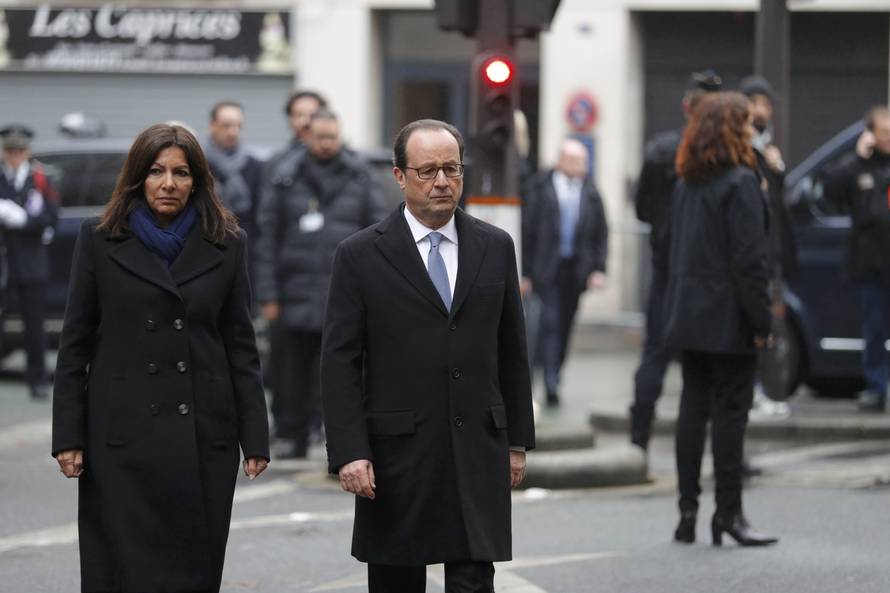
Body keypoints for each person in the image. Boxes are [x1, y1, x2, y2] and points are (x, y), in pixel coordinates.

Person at [51, 123, 271, 593]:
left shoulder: (227, 242)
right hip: (120, 438)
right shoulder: (98, 237)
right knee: (120, 572)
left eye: (181, 172)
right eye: (155, 171)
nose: (168, 183)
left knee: (191, 571)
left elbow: (240, 345)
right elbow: (75, 344)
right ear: (137, 177)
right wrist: (67, 435)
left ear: (197, 181)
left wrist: (255, 436)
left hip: (202, 435)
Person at [321, 119, 535, 593]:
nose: (442, 181)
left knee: (474, 580)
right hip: (397, 454)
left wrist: (516, 440)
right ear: (399, 177)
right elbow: (339, 363)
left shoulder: (494, 246)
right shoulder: (359, 255)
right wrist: (350, 451)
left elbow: (511, 349)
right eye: (427, 171)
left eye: (452, 169)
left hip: (477, 446)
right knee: (397, 580)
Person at [663, 92, 778, 547]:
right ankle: (728, 513)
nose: (752, 131)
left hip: (688, 315)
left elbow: (671, 248)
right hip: (729, 319)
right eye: (746, 123)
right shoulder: (741, 182)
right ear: (734, 128)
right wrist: (762, 322)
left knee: (692, 411)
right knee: (731, 416)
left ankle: (687, 511)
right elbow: (750, 261)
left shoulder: (685, 183)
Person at [256, 109, 385, 458]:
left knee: (336, 371)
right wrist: (267, 293)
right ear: (307, 136)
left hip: (340, 293)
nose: (327, 144)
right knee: (289, 372)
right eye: (320, 137)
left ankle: (331, 437)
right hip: (291, 292)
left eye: (333, 137)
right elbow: (266, 239)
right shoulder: (285, 176)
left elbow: (377, 234)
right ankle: (292, 435)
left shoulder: (359, 176)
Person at [629, 70, 722, 449]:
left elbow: (642, 209)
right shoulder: (724, 156)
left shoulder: (661, 150)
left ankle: (639, 442)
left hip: (669, 270)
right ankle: (720, 449)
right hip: (708, 276)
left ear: (687, 107)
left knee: (655, 355)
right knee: (710, 366)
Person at [522, 137, 608, 407]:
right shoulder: (540, 187)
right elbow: (527, 231)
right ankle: (550, 382)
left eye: (584, 161)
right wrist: (524, 272)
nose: (583, 166)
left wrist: (598, 269)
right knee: (549, 324)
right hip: (546, 269)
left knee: (565, 325)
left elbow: (600, 234)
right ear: (562, 161)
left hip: (575, 270)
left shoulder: (591, 192)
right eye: (577, 161)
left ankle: (555, 372)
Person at [824, 105, 890, 413]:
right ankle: (876, 389)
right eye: (884, 132)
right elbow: (830, 190)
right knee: (874, 328)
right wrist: (858, 157)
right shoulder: (858, 167)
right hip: (871, 264)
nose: (889, 138)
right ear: (871, 134)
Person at [739, 75, 795, 420]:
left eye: (767, 103)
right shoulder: (743, 149)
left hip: (770, 249)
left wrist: (777, 169)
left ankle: (763, 389)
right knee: (756, 323)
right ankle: (754, 390)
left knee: (772, 324)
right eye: (756, 102)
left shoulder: (768, 147)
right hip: (752, 251)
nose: (762, 110)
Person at [0, 124, 59, 400]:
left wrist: (23, 219)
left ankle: (37, 380)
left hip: (31, 262)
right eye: (10, 150)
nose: (14, 155)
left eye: (19, 150)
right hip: (4, 262)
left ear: (27, 151)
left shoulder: (39, 180)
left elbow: (51, 218)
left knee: (34, 325)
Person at [203, 101, 264, 256]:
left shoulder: (255, 166)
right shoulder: (198, 163)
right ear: (212, 125)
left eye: (238, 126)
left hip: (242, 249)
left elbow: (259, 217)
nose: (233, 132)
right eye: (226, 125)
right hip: (204, 246)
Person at [265, 89, 327, 173]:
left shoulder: (345, 163)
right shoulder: (276, 164)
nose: (306, 121)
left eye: (313, 115)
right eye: (299, 115)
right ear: (290, 120)